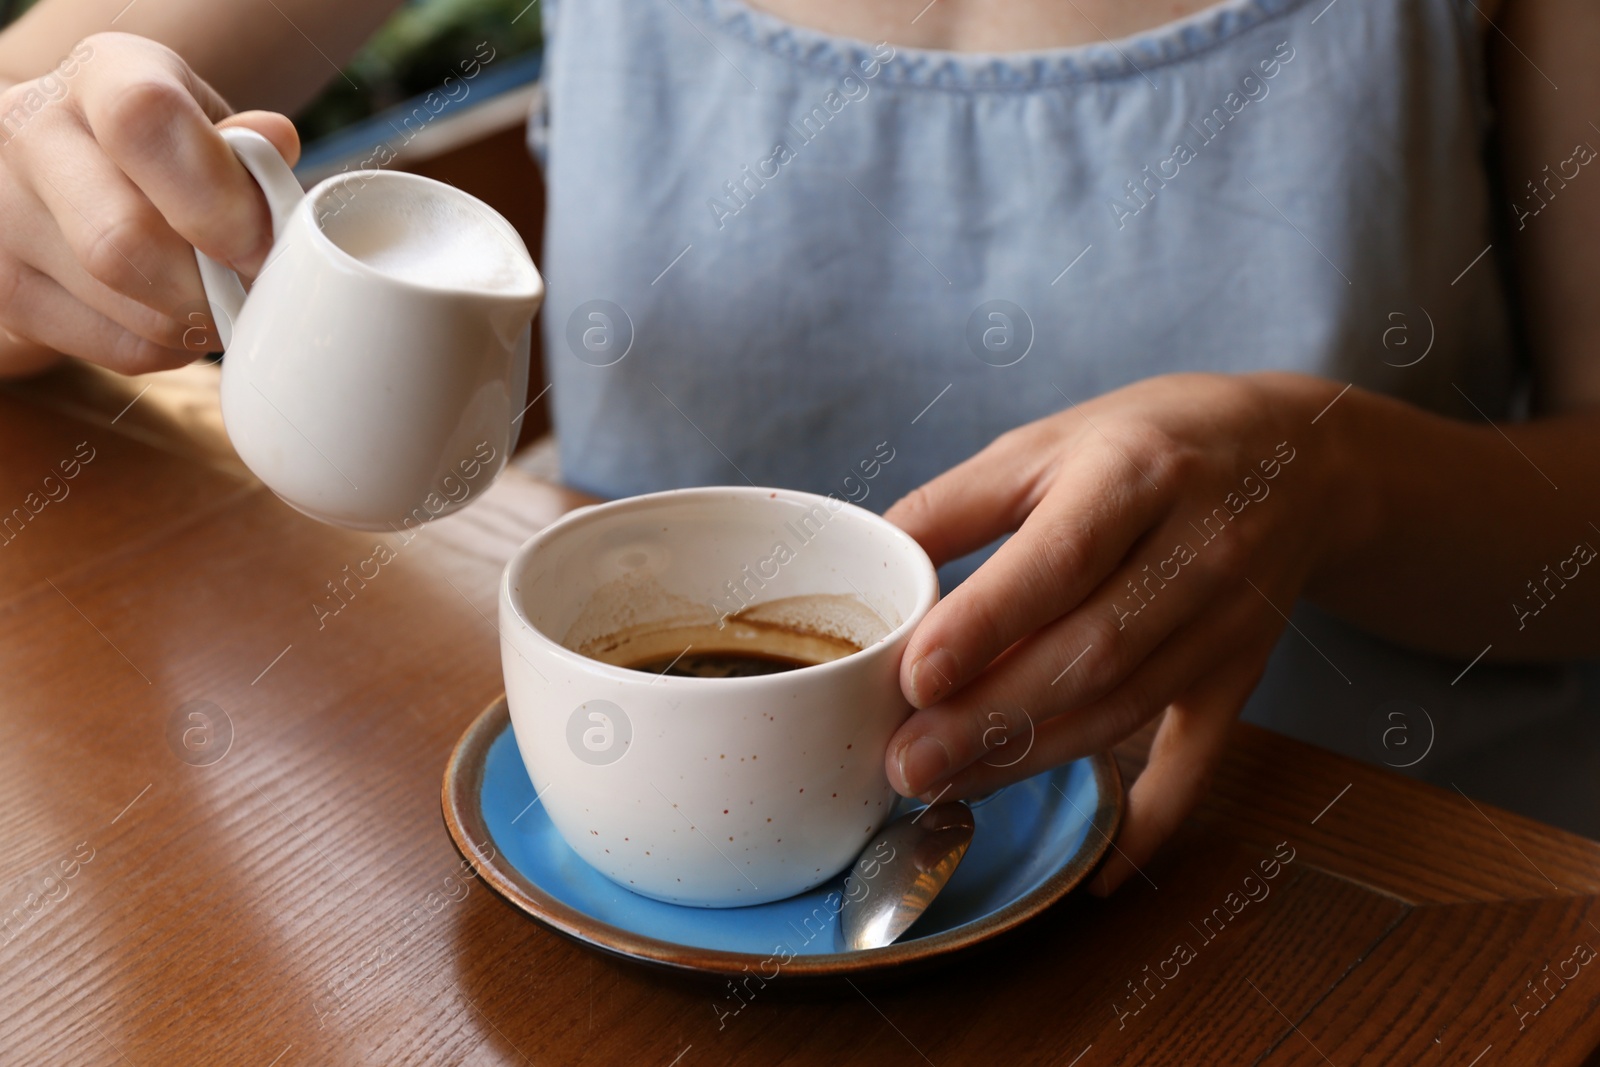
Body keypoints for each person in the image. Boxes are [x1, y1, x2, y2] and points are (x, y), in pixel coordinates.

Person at [0, 0, 1595, 893]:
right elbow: (56, 128)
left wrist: (1333, 477)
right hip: (640, 909)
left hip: (1356, 905)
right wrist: (39, 193)